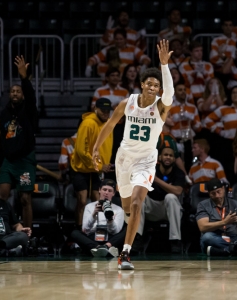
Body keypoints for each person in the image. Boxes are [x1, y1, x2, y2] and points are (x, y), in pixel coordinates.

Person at [92, 40, 174, 270]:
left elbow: (170, 93)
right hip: (124, 159)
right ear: (141, 84)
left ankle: (125, 253)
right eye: (149, 83)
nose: (152, 88)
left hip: (146, 160)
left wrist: (164, 65)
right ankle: (129, 229)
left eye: (156, 85)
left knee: (138, 204)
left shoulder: (161, 106)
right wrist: (96, 148)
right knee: (127, 207)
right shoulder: (128, 103)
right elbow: (109, 125)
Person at [0, 55, 38, 228]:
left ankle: (27, 234)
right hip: (8, 162)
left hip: (25, 162)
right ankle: (1, 230)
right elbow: (1, 139)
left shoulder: (28, 111)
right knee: (1, 196)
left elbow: (30, 96)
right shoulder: (5, 114)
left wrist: (24, 78)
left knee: (25, 198)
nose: (15, 93)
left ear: (22, 95)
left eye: (18, 91)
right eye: (12, 91)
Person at [71, 98, 114, 228]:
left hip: (97, 170)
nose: (106, 113)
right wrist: (100, 165)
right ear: (96, 108)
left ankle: (96, 229)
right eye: (103, 110)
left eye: (108, 110)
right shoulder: (87, 123)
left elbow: (107, 148)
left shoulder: (108, 124)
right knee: (82, 201)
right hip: (81, 169)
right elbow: (81, 151)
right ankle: (79, 230)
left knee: (98, 201)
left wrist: (104, 165)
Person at [196, 178, 237, 256]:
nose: (217, 196)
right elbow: (203, 227)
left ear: (223, 189)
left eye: (218, 192)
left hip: (234, 238)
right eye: (213, 193)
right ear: (209, 193)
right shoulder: (203, 205)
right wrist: (225, 222)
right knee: (207, 237)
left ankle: (225, 251)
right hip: (216, 238)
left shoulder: (235, 204)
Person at [136, 146, 185, 253]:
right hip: (151, 209)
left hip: (168, 211)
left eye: (171, 155)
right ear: (160, 157)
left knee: (171, 197)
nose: (168, 157)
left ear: (174, 159)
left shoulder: (178, 173)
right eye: (165, 155)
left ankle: (175, 240)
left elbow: (177, 191)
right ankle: (137, 238)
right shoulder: (151, 170)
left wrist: (156, 180)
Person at [70, 179, 125, 257]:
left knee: (126, 231)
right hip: (93, 237)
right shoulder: (89, 207)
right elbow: (85, 229)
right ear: (99, 190)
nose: (106, 193)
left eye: (110, 191)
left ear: (113, 193)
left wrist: (110, 219)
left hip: (109, 238)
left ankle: (104, 247)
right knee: (75, 233)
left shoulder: (118, 209)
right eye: (104, 190)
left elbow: (116, 232)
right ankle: (100, 248)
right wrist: (94, 214)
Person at [0, 177, 31, 257]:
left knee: (23, 236)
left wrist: (21, 229)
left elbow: (16, 224)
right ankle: (7, 252)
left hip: (5, 239)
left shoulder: (5, 204)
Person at [86, 28, 150, 79]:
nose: (118, 41)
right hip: (112, 78)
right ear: (114, 39)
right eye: (116, 39)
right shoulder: (108, 49)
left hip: (127, 79)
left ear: (125, 39)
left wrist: (144, 66)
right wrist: (89, 66)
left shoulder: (133, 49)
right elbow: (94, 58)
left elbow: (146, 59)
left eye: (121, 39)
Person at [168, 81, 202, 171]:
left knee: (189, 164)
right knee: (176, 165)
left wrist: (191, 119)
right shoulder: (170, 107)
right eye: (180, 90)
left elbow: (198, 128)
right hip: (176, 140)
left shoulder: (192, 107)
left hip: (189, 140)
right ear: (174, 92)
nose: (183, 92)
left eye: (184, 90)